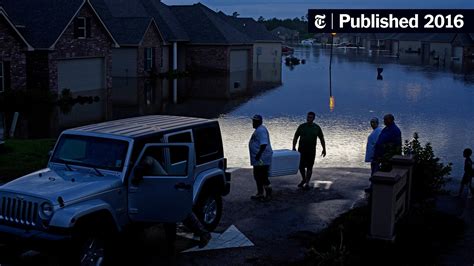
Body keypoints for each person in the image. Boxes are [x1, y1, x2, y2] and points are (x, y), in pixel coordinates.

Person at [292, 111, 326, 190]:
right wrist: (293, 147)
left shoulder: (316, 127)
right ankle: (304, 179)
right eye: (308, 117)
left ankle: (307, 183)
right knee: (301, 167)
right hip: (302, 150)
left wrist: (324, 149)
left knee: (310, 167)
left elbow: (321, 138)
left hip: (311, 151)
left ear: (313, 118)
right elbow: (296, 137)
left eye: (310, 117)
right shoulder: (302, 126)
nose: (309, 119)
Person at [248, 114, 273, 201]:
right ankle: (260, 193)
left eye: (255, 121)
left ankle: (268, 195)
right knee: (257, 176)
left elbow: (264, 144)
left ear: (259, 122)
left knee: (263, 176)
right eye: (253, 121)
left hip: (262, 158)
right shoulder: (258, 130)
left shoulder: (261, 130)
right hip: (258, 159)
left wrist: (258, 154)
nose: (253, 123)